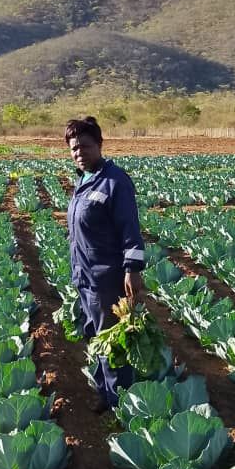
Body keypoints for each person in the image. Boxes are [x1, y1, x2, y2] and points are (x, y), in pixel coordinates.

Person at [65, 116, 145, 410]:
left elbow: (130, 229)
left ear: (99, 145)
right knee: (95, 337)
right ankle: (105, 393)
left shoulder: (115, 182)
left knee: (113, 341)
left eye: (85, 146)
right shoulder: (83, 181)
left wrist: (132, 269)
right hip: (84, 276)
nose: (79, 153)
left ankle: (121, 403)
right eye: (74, 149)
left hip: (107, 279)